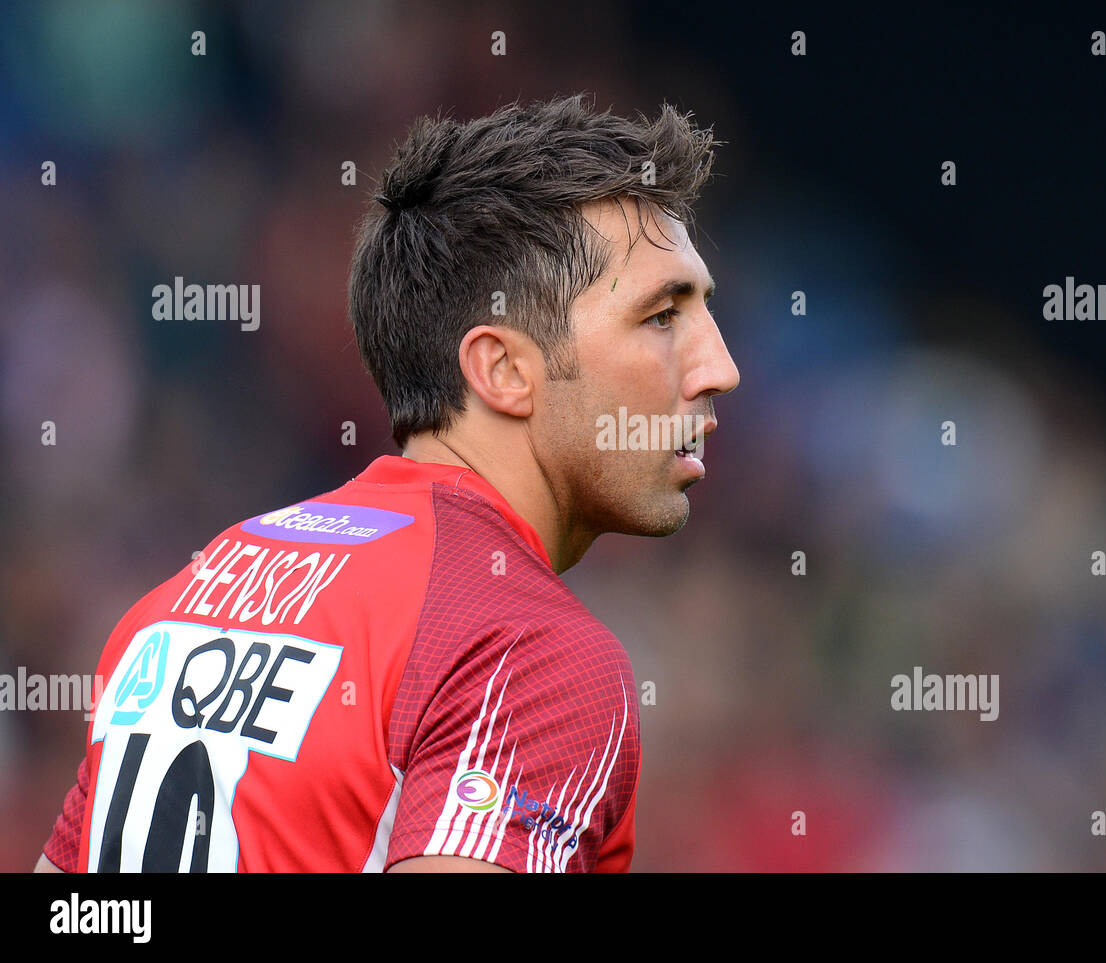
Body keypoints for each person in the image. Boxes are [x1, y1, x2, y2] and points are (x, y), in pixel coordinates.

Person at [35, 93, 739, 873]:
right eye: (661, 318)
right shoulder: (527, 652)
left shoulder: (188, 595)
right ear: (503, 369)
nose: (721, 368)